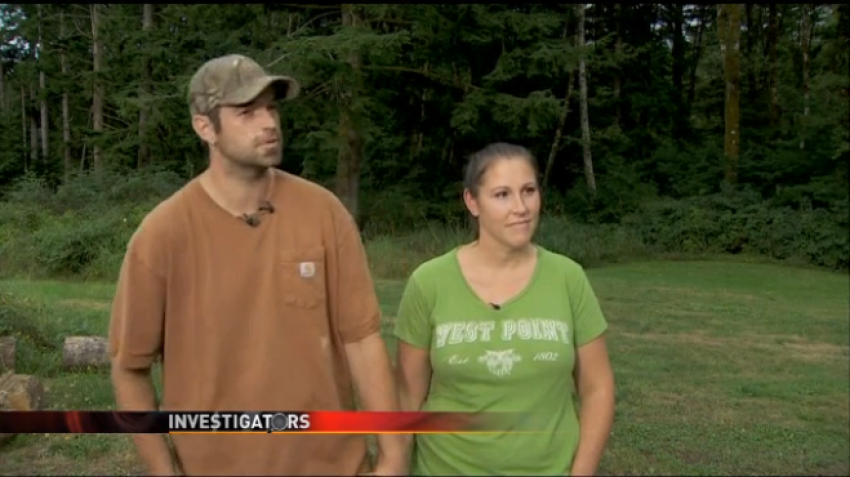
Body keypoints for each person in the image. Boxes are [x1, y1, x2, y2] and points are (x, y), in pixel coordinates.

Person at [108, 54, 407, 476]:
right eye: (247, 112)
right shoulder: (162, 235)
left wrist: (393, 455)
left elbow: (362, 341)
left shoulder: (323, 213)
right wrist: (163, 469)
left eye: (271, 108)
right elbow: (129, 369)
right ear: (205, 127)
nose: (268, 122)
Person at [393, 143, 616, 476]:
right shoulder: (429, 282)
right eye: (502, 195)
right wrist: (393, 464)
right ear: (472, 202)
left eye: (528, 191)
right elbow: (407, 395)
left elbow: (597, 388)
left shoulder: (568, 278)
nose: (521, 207)